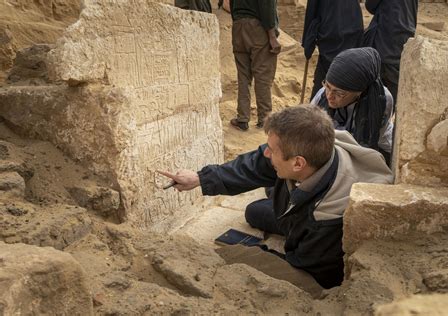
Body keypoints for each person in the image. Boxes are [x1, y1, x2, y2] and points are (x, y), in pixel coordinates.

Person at [159, 105, 393, 289]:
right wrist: (200, 178)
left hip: (316, 234)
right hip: (302, 207)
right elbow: (254, 164)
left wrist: (250, 256)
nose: (267, 152)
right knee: (254, 211)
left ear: (298, 163)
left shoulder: (331, 218)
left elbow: (310, 273)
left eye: (272, 150)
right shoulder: (311, 147)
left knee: (241, 255)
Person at [311, 47, 394, 162]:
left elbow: (372, 138)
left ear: (360, 91)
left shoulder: (380, 101)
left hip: (373, 145)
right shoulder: (322, 96)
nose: (329, 96)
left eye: (339, 93)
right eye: (327, 86)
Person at [229, 0, 280, 131]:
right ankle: (265, 119)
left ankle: (242, 118)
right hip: (258, 28)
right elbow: (267, 7)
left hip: (238, 26)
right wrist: (272, 36)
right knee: (262, 75)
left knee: (243, 76)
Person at [302, 0, 364, 100]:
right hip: (353, 29)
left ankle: (317, 111)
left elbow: (311, 11)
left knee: (324, 82)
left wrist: (307, 43)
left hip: (331, 34)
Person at [363, 0, 418, 106]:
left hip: (385, 36)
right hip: (406, 36)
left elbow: (370, 6)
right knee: (395, 84)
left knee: (374, 83)